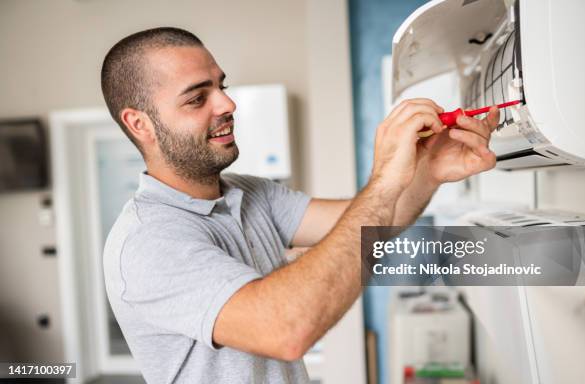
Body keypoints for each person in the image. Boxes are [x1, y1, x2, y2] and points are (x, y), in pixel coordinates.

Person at [101, 27, 499, 384]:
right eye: (197, 98)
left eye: (222, 86)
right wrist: (384, 180)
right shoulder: (147, 241)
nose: (226, 104)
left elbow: (374, 224)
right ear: (140, 124)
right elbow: (285, 329)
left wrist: (428, 170)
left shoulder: (248, 193)